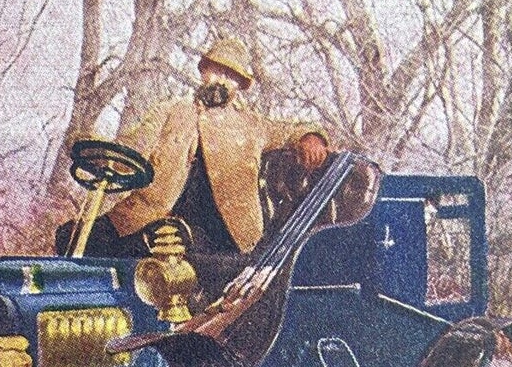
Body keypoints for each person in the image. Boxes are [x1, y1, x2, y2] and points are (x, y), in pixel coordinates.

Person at [58, 36, 329, 258]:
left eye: (231, 75)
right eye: (217, 70)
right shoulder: (171, 111)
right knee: (72, 237)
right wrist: (93, 150)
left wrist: (311, 137)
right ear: (204, 72)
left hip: (218, 232)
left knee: (160, 244)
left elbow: (289, 131)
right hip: (150, 214)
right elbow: (132, 148)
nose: (221, 79)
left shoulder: (252, 125)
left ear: (239, 86)